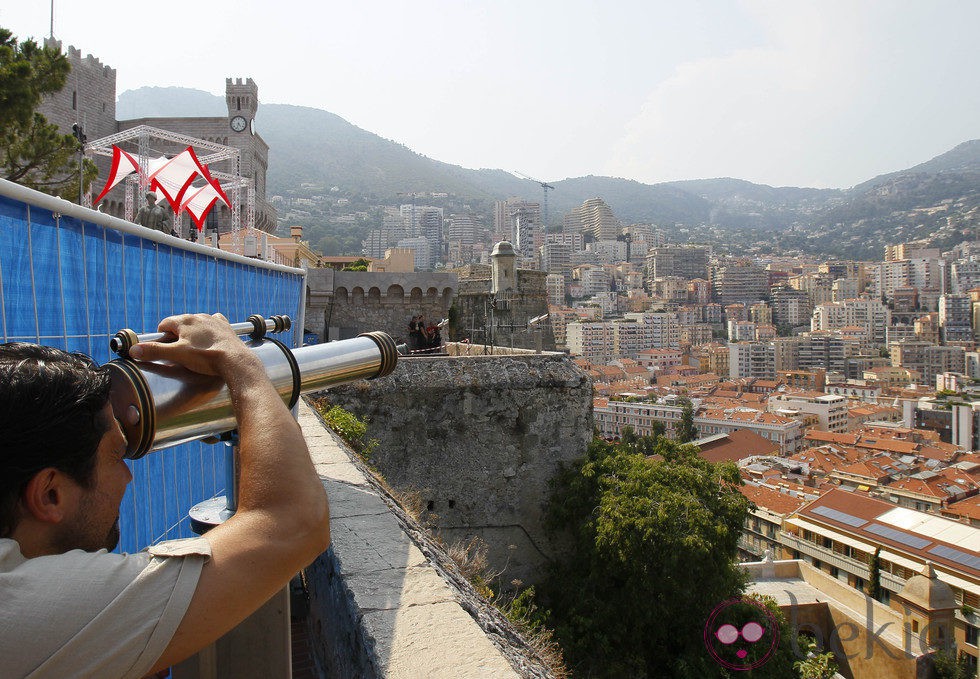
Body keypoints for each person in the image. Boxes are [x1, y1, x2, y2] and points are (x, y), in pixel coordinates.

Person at [0, 313, 330, 678]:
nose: (127, 476)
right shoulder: (31, 613)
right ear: (50, 495)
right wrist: (239, 362)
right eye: (116, 455)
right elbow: (296, 520)